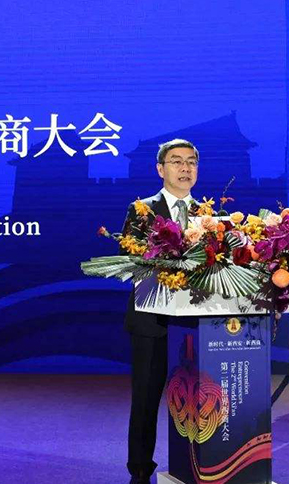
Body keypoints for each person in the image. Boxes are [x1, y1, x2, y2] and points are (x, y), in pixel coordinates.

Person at [120, 139, 199, 484]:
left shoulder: (208, 215)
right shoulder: (142, 210)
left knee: (198, 393)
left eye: (191, 162)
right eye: (176, 161)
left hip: (196, 322)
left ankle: (200, 464)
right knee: (146, 397)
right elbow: (129, 258)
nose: (185, 168)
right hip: (151, 319)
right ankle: (140, 468)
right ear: (160, 169)